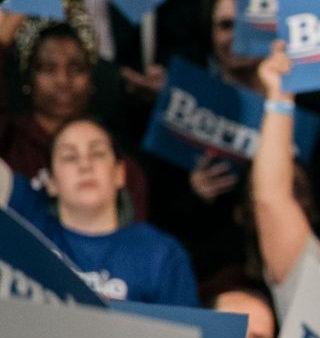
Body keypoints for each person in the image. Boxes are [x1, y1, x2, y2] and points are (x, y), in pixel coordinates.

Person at [2, 119, 196, 304]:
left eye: (97, 153)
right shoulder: (28, 225)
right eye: (69, 157)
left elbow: (188, 333)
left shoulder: (160, 253)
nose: (85, 165)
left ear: (120, 174)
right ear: (51, 182)